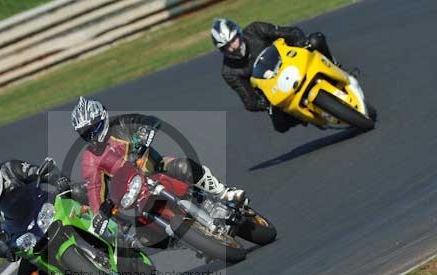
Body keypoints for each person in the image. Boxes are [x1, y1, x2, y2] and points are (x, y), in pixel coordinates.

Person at [70, 97, 246, 239]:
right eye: (86, 133)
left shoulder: (122, 124)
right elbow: (94, 188)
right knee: (145, 237)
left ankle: (223, 192)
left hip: (157, 168)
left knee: (183, 167)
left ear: (104, 117)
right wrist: (97, 215)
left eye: (94, 128)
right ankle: (187, 241)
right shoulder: (89, 158)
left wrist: (145, 131)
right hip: (132, 191)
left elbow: (150, 121)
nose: (92, 136)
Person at [211, 18, 339, 133]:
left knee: (316, 39)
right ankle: (307, 116)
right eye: (227, 46)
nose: (233, 46)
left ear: (239, 33)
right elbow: (248, 100)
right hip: (276, 90)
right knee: (280, 124)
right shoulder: (229, 71)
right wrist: (264, 104)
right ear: (222, 50)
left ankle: (334, 67)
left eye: (234, 40)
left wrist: (302, 42)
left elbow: (290, 32)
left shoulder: (255, 29)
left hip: (292, 61)